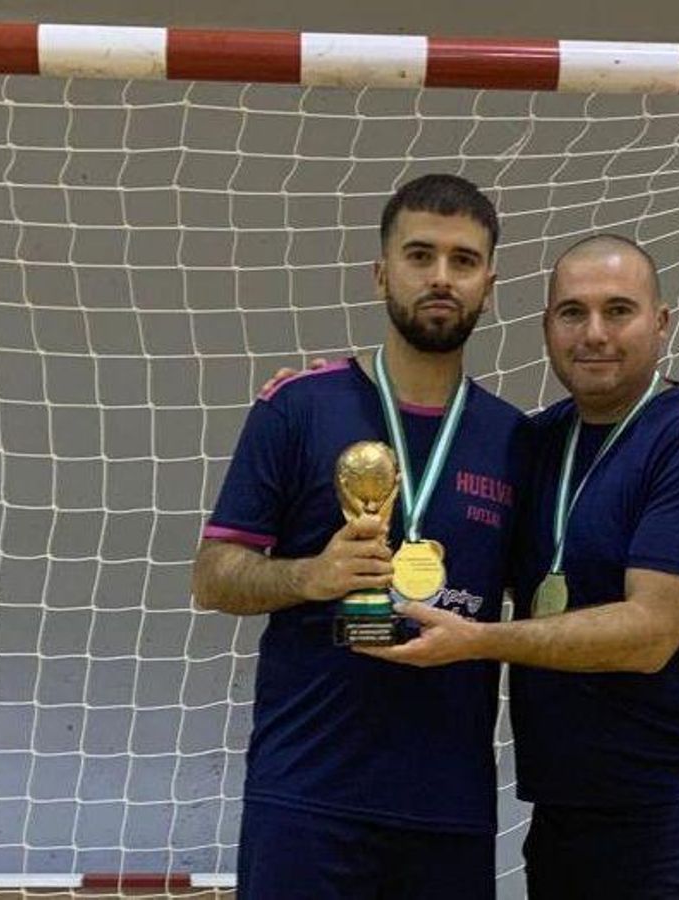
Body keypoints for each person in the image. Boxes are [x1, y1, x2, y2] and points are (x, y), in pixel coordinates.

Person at [362, 235, 679, 898]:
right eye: (572, 313)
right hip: (563, 806)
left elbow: (648, 635)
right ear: (547, 327)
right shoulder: (538, 440)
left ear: (662, 323)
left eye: (619, 311)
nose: (594, 334)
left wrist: (481, 642)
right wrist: (321, 391)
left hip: (676, 805)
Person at [191, 174, 531, 899]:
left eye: (463, 261)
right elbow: (214, 576)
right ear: (382, 273)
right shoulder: (297, 410)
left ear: (489, 285)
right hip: (309, 797)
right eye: (420, 255)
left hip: (449, 808)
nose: (441, 277)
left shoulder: (516, 440)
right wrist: (308, 577)